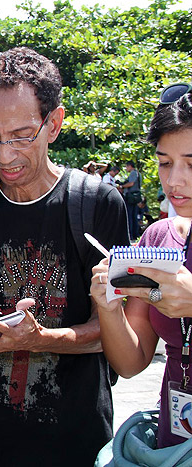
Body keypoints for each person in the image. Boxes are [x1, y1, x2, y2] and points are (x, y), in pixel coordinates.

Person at [0, 47, 129, 466]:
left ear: (54, 124)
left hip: (73, 445)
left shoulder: (97, 205)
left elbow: (118, 334)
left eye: (22, 136)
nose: (4, 155)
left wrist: (40, 339)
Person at [91, 82, 192, 449]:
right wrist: (108, 308)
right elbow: (131, 363)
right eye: (165, 162)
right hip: (173, 442)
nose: (174, 181)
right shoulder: (160, 237)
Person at [121, 160, 143, 240]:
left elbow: (131, 183)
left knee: (130, 216)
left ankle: (131, 234)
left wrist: (122, 186)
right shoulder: (138, 173)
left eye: (126, 166)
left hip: (131, 197)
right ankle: (135, 234)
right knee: (134, 215)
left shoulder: (133, 173)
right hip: (135, 197)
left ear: (130, 166)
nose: (126, 168)